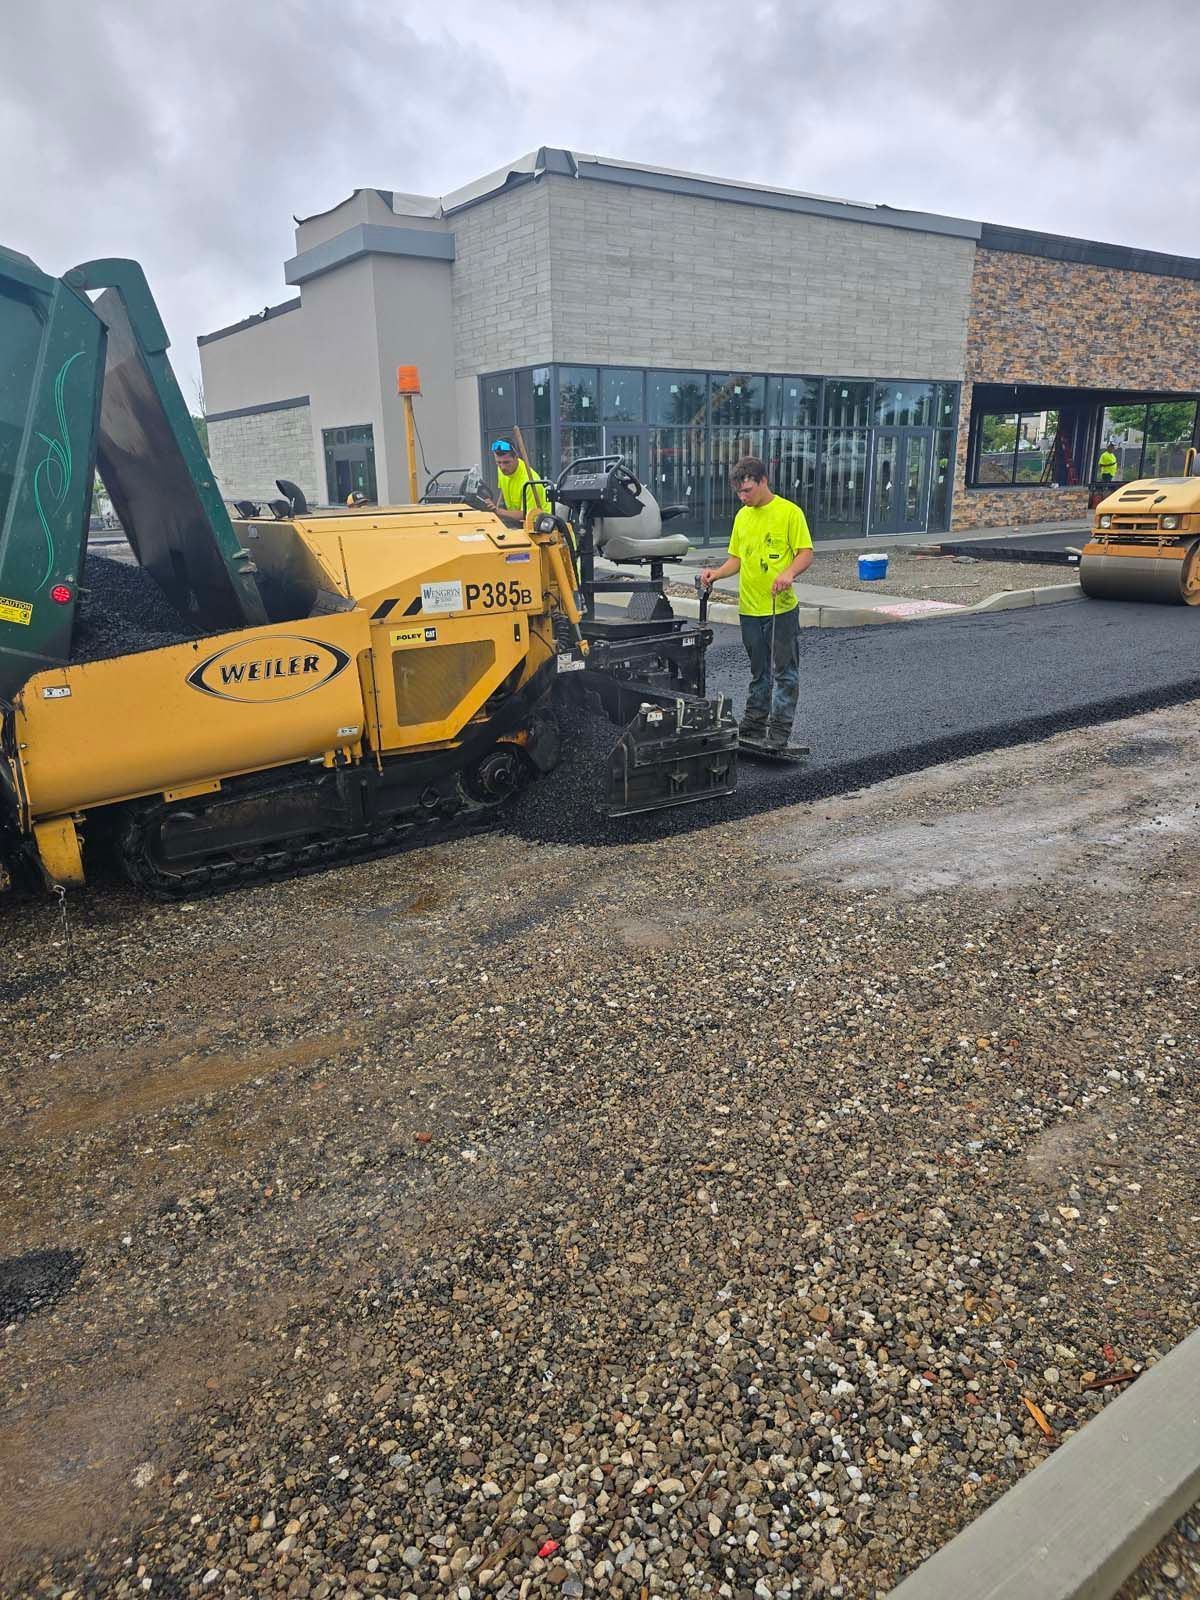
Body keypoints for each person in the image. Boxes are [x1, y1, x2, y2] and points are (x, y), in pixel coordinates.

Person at [700, 456, 814, 748]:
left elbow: (805, 553)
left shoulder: (789, 513)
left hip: (780, 608)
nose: (743, 497)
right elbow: (736, 559)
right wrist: (716, 573)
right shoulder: (742, 517)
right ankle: (753, 724)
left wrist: (788, 573)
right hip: (749, 609)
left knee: (784, 671)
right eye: (738, 492)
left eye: (747, 490)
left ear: (763, 481)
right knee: (758, 671)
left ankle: (779, 731)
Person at [486, 438, 549, 526]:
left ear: (516, 457)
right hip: (516, 522)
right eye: (498, 463)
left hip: (540, 524)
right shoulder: (501, 469)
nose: (502, 467)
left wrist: (498, 511)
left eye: (507, 462)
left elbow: (526, 515)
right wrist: (493, 507)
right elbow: (503, 492)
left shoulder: (530, 482)